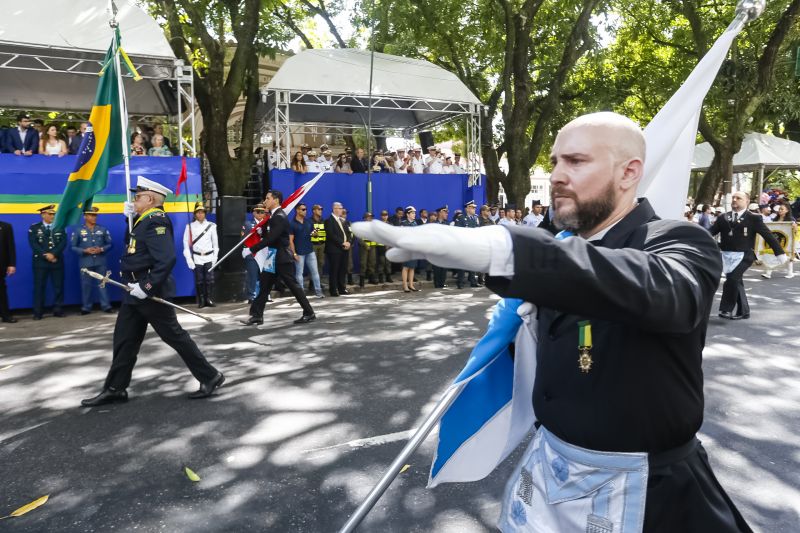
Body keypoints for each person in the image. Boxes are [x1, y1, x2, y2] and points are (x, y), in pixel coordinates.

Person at [352, 111, 754, 532]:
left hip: (645, 489)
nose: (558, 175)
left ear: (629, 172)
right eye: (557, 161)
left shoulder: (677, 239)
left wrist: (509, 250)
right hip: (550, 466)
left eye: (576, 162)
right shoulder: (563, 246)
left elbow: (669, 291)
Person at [81, 177, 224, 406]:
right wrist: (130, 218)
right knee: (124, 340)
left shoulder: (157, 220)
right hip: (132, 291)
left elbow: (166, 260)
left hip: (149, 293)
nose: (134, 200)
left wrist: (146, 287)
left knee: (175, 337)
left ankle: (210, 376)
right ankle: (116, 388)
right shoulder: (142, 219)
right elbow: (133, 249)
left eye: (137, 197)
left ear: (149, 199)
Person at [711, 191, 787, 319]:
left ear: (746, 201)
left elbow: (768, 235)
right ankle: (744, 311)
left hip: (744, 255)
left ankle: (725, 309)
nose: (734, 200)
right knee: (736, 282)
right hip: (727, 256)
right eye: (733, 198)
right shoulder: (723, 217)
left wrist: (779, 253)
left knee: (732, 279)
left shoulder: (753, 218)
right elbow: (710, 232)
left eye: (738, 198)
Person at [245, 190, 316, 325]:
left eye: (267, 198)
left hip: (282, 257)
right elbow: (270, 236)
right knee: (265, 285)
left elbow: (273, 237)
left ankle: (309, 312)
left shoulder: (279, 216)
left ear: (276, 200)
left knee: (293, 286)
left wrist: (252, 249)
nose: (265, 201)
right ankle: (257, 315)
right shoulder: (273, 216)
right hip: (273, 256)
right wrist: (262, 231)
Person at [71, 207, 113, 315]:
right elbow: (73, 247)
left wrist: (101, 249)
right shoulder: (78, 230)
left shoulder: (102, 229)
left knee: (103, 283)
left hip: (100, 261)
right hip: (85, 262)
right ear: (85, 216)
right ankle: (86, 307)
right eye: (91, 215)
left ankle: (106, 306)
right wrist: (84, 250)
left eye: (95, 215)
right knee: (86, 285)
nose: (94, 217)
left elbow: (110, 244)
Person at [29, 205, 66, 320]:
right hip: (40, 263)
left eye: (53, 214)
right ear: (43, 214)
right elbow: (34, 244)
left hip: (56, 261)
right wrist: (46, 255)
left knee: (58, 287)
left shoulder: (60, 227)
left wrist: (53, 254)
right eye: (50, 214)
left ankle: (58, 310)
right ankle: (38, 312)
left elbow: (63, 243)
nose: (52, 216)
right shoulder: (34, 228)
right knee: (39, 287)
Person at [183, 202, 218, 308]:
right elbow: (185, 244)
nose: (200, 214)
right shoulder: (189, 226)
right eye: (198, 212)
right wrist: (189, 259)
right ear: (194, 214)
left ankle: (209, 298)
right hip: (197, 257)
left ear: (205, 213)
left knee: (210, 280)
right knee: (199, 280)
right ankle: (202, 300)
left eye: (202, 212)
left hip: (209, 256)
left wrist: (215, 257)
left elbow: (215, 244)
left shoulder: (211, 226)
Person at [289, 202, 324, 298]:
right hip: (299, 253)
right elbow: (290, 241)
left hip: (310, 251)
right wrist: (294, 253)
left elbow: (312, 234)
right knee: (299, 273)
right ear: (297, 210)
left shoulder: (308, 222)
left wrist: (315, 232)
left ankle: (318, 292)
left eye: (306, 209)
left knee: (315, 272)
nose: (305, 211)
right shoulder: (292, 224)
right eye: (303, 209)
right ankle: (301, 295)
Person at [324, 202, 352, 297]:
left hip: (345, 249)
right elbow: (331, 235)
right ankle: (333, 289)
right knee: (334, 270)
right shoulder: (329, 220)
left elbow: (348, 233)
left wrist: (349, 242)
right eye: (340, 208)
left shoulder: (343, 221)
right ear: (335, 209)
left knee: (343, 269)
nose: (341, 210)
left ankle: (342, 288)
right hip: (334, 250)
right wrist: (342, 243)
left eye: (341, 208)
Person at [242, 204, 267, 302]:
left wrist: (264, 232)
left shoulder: (266, 224)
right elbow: (243, 239)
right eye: (258, 211)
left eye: (262, 212)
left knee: (264, 276)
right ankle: (251, 296)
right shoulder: (248, 224)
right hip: (252, 254)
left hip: (264, 254)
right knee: (252, 276)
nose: (260, 214)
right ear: (253, 213)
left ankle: (264, 295)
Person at [454, 200, 479, 288]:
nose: (474, 209)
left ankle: (473, 281)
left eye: (474, 208)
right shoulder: (461, 218)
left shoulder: (475, 218)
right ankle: (460, 282)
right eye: (472, 208)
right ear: (467, 209)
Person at [0, 219, 17, 323]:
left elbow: (10, 246)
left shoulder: (6, 226)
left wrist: (11, 264)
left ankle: (5, 316)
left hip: (0, 265)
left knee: (1, 292)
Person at [400, 206, 420, 292]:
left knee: (412, 267)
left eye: (414, 213)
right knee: (406, 267)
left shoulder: (415, 223)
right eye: (412, 213)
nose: (414, 214)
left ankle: (411, 284)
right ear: (407, 214)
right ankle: (405, 286)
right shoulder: (403, 223)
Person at [431, 206, 450, 289]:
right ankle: (437, 284)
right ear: (440, 213)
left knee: (444, 268)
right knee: (437, 268)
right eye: (445, 212)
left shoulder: (447, 223)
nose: (446, 214)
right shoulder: (434, 224)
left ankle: (442, 283)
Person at [358, 212, 378, 286]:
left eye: (371, 217)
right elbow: (359, 238)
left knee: (372, 263)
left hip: (372, 247)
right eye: (369, 217)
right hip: (364, 248)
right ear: (365, 218)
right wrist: (366, 245)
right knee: (363, 263)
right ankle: (362, 280)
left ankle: (371, 278)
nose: (370, 219)